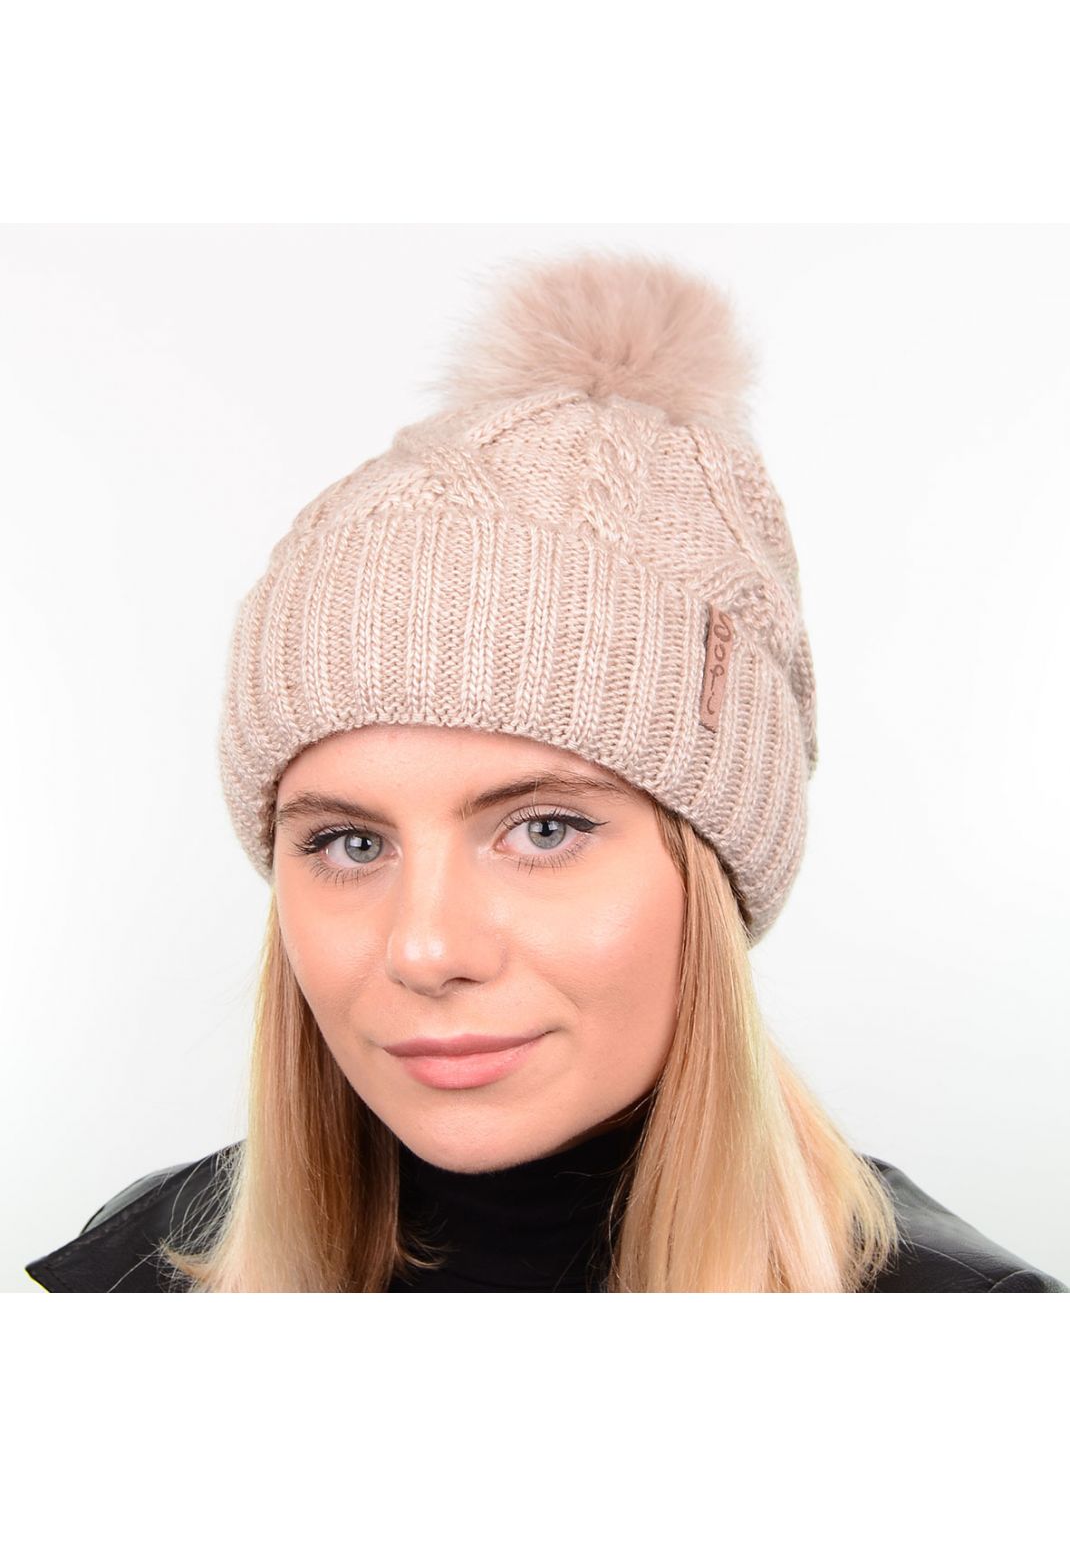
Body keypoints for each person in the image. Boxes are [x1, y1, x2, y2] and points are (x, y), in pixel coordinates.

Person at [24, 247, 1067, 1294]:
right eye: (350, 843)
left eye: (543, 829)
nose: (427, 949)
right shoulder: (128, 1279)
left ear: (712, 871)